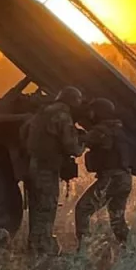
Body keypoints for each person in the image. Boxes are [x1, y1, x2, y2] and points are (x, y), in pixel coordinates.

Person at [21, 86, 84, 255]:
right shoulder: (62, 116)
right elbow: (71, 146)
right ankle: (43, 247)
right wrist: (82, 143)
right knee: (47, 206)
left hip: (34, 164)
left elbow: (24, 133)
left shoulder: (42, 113)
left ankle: (34, 244)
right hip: (47, 168)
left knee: (37, 206)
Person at [75, 97, 132, 249]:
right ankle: (129, 247)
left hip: (111, 179)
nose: (90, 115)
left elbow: (80, 141)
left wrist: (74, 131)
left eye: (93, 112)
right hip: (124, 178)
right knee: (117, 218)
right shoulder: (118, 129)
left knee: (82, 210)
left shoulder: (101, 130)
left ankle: (84, 248)